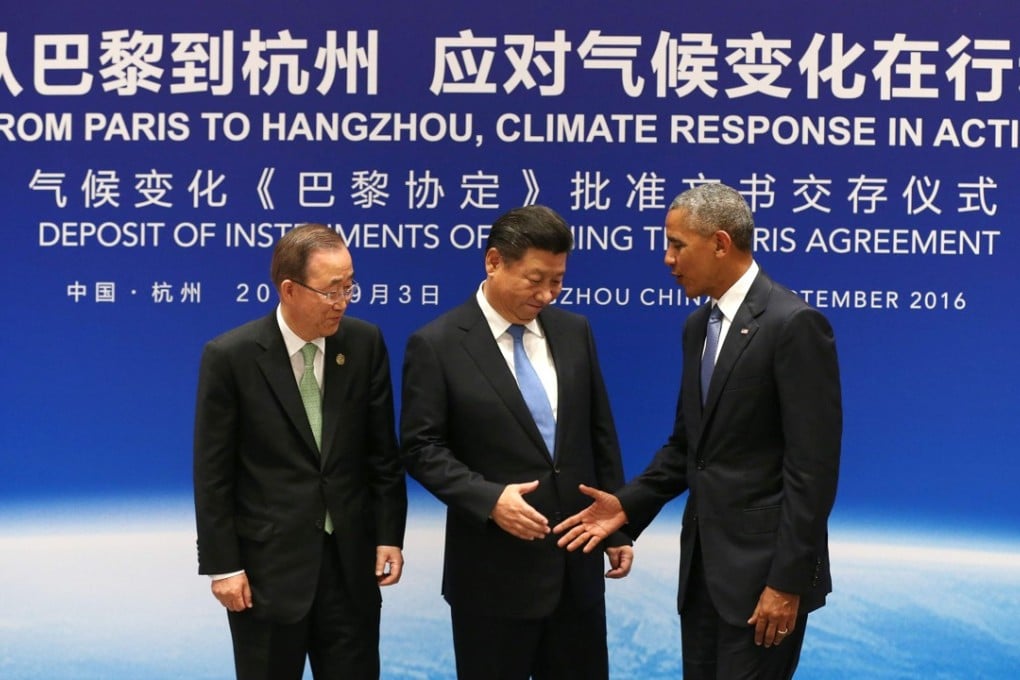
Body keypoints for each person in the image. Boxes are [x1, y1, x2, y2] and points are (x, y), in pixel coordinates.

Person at [555, 183, 842, 679]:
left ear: (720, 244)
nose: (667, 259)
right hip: (704, 576)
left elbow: (811, 471)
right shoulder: (698, 327)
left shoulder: (793, 324)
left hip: (763, 581)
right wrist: (626, 505)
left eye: (677, 245)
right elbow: (690, 448)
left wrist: (787, 582)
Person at [401, 205, 633, 679]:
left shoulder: (574, 331)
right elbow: (421, 448)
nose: (547, 294)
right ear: (493, 262)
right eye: (535, 279)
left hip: (577, 571)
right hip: (492, 578)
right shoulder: (438, 343)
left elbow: (599, 432)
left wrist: (618, 524)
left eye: (558, 280)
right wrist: (489, 500)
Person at [193, 223, 407, 680]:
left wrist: (389, 534)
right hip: (268, 574)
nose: (343, 301)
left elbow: (381, 453)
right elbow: (213, 472)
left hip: (351, 567)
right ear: (289, 289)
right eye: (332, 290)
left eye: (350, 287)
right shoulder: (231, 356)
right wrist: (222, 565)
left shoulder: (364, 343)